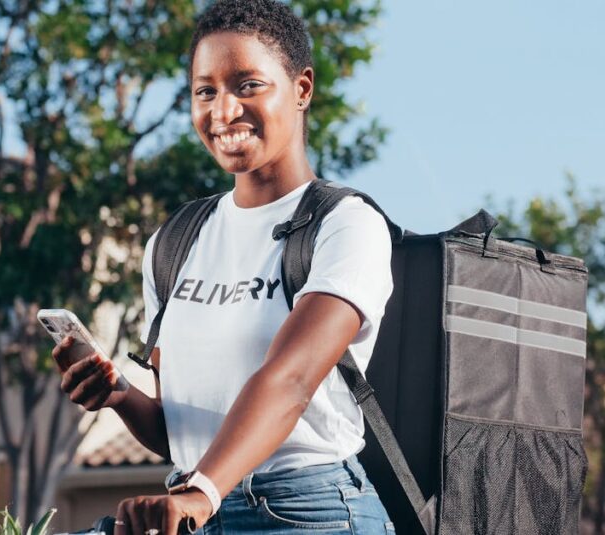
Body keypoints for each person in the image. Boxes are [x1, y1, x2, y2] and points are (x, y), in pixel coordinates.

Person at [50, 1, 395, 533]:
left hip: (309, 509)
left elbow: (292, 379)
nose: (223, 110)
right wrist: (118, 393)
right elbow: (182, 429)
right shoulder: (175, 240)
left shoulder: (345, 224)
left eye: (248, 85)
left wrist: (200, 492)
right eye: (205, 91)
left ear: (302, 89)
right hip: (197, 507)